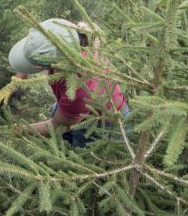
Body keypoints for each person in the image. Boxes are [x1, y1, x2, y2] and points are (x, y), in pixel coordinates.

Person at [7, 18, 127, 147]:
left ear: (40, 67)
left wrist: (17, 130)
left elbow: (57, 125)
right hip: (72, 107)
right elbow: (34, 47)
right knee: (60, 112)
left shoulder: (78, 89)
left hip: (100, 123)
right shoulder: (63, 33)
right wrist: (16, 81)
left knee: (82, 145)